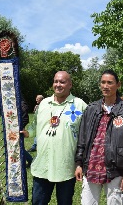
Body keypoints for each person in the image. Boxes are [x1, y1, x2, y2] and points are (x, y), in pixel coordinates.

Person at [75, 69, 123, 205]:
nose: (105, 86)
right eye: (103, 82)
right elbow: (82, 139)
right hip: (91, 168)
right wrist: (79, 164)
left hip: (115, 170)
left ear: (118, 85)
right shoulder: (91, 109)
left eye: (110, 83)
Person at [21, 71, 87, 205]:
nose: (58, 85)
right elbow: (35, 126)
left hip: (66, 167)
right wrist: (26, 133)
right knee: (38, 203)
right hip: (42, 166)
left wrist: (81, 163)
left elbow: (88, 134)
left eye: (62, 82)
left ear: (70, 85)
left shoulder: (80, 105)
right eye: (56, 81)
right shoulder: (44, 104)